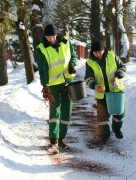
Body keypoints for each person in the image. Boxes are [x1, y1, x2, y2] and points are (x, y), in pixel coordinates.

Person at [36, 24, 78, 154]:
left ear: (57, 34)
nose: (51, 38)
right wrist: (45, 85)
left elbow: (74, 56)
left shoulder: (66, 43)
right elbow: (43, 68)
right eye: (48, 36)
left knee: (66, 112)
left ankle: (62, 139)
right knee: (55, 112)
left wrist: (72, 64)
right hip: (53, 85)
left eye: (52, 36)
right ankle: (53, 141)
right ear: (45, 36)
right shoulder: (41, 49)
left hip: (67, 83)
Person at [85, 41, 126, 141]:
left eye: (100, 51)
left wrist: (118, 76)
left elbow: (122, 67)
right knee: (103, 116)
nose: (98, 54)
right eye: (95, 52)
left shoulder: (112, 55)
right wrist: (95, 85)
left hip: (116, 91)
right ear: (92, 52)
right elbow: (88, 78)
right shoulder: (90, 62)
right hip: (102, 94)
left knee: (119, 114)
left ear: (104, 50)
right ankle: (105, 134)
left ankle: (116, 129)